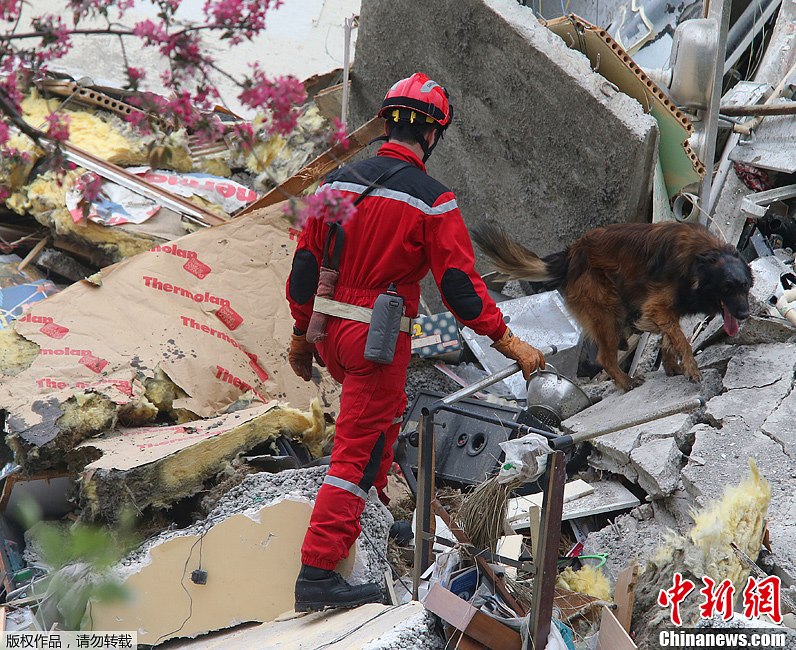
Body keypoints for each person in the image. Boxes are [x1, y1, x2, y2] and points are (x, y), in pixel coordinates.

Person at [286, 72, 546, 612]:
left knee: (382, 427)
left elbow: (306, 267)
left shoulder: (335, 183)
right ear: (431, 135)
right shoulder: (433, 201)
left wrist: (299, 334)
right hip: (376, 344)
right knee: (354, 455)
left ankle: (374, 519)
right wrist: (509, 341)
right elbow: (459, 290)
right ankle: (317, 571)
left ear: (387, 123)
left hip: (332, 334)